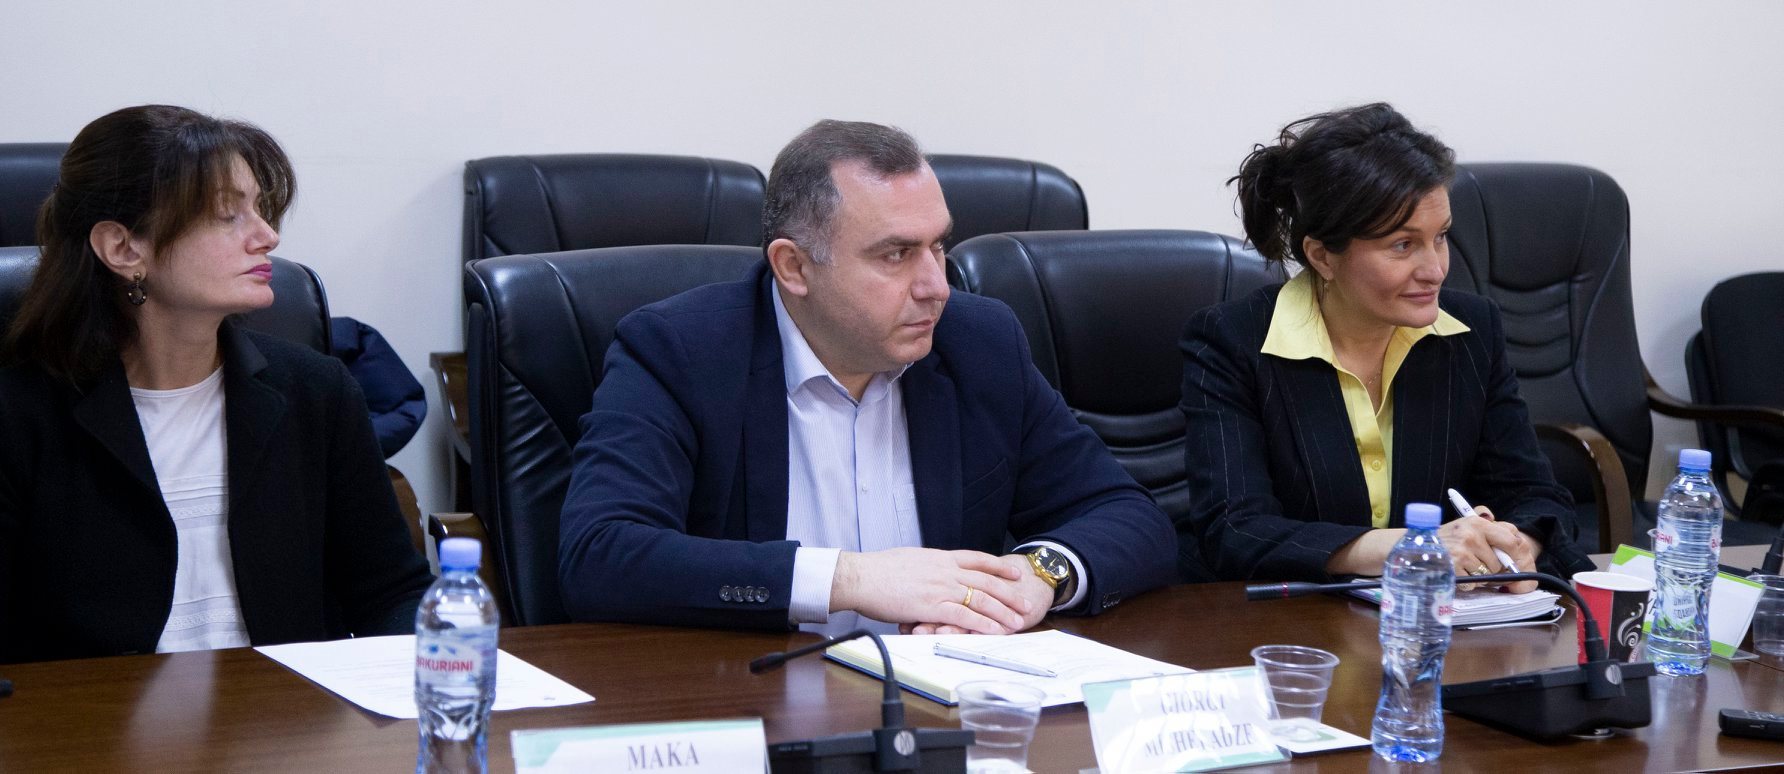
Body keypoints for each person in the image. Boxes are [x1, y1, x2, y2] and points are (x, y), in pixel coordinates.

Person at [558, 120, 1175, 635]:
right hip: (753, 701)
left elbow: (1126, 514)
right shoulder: (680, 352)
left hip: (938, 702)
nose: (937, 286)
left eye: (938, 247)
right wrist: (850, 578)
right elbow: (600, 555)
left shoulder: (978, 343)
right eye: (895, 255)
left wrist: (1036, 576)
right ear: (794, 267)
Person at [0, 105, 434, 664]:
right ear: (124, 249)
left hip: (283, 709)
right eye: (228, 215)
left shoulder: (316, 390)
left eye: (261, 210)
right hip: (91, 715)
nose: (267, 236)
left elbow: (392, 591)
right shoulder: (20, 412)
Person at [1178, 103, 1594, 590]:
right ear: (1322, 256)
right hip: (1296, 621)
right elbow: (1235, 531)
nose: (1435, 269)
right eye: (1402, 245)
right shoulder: (1233, 342)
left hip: (1441, 619)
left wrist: (1518, 545)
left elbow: (1535, 494)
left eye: (1440, 237)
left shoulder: (1472, 331)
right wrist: (1412, 548)